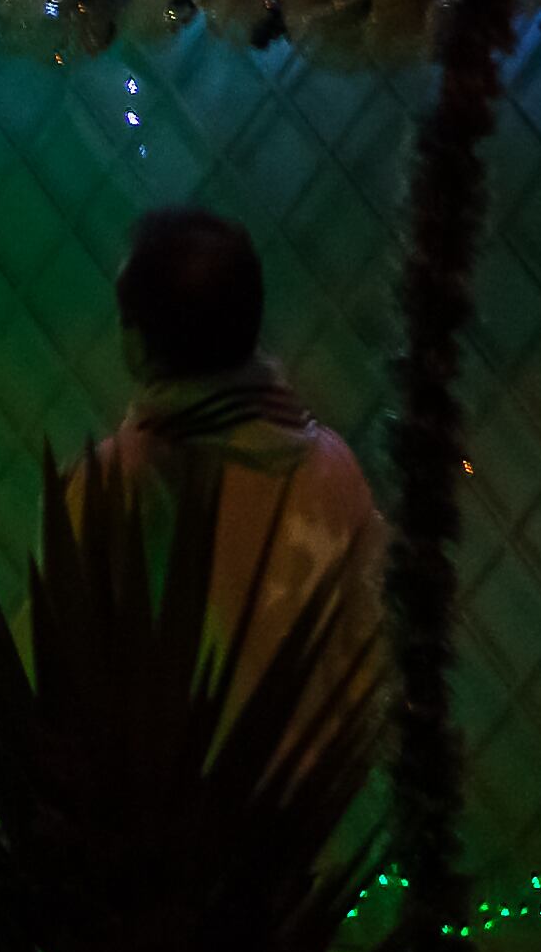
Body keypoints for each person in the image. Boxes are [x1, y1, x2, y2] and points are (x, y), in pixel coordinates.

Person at [69, 205, 389, 708]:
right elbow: (373, 661)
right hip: (316, 785)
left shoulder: (120, 482)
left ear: (139, 342)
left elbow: (56, 671)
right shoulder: (334, 471)